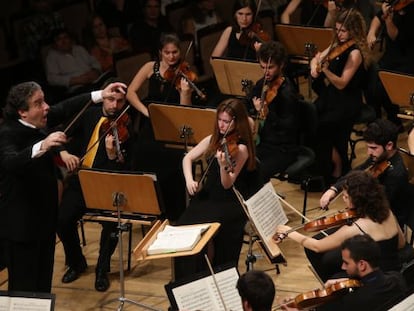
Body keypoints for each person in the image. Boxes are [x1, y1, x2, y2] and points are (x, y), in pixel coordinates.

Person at [0, 80, 125, 293]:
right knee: (23, 287)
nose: (47, 107)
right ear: (23, 112)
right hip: (22, 228)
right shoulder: (7, 133)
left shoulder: (38, 120)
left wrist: (101, 94)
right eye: (39, 103)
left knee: (42, 285)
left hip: (44, 222)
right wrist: (43, 145)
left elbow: (65, 107)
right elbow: (11, 161)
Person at [57, 78, 134, 292]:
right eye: (110, 99)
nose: (114, 106)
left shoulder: (127, 124)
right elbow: (60, 134)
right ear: (103, 96)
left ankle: (102, 269)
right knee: (62, 220)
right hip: (82, 181)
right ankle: (76, 262)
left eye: (119, 101)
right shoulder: (88, 114)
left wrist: (112, 156)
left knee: (111, 224)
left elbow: (127, 169)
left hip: (109, 185)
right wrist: (64, 153)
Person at [173, 98, 262, 280]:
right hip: (208, 196)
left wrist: (222, 166)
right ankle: (187, 281)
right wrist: (190, 180)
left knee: (204, 237)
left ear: (237, 122)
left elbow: (227, 184)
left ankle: (206, 277)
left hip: (228, 202)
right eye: (219, 120)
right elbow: (187, 158)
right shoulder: (213, 140)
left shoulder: (242, 149)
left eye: (226, 121)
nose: (221, 125)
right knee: (184, 230)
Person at [275, 170, 406, 282]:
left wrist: (290, 232)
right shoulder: (387, 211)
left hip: (372, 276)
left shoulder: (356, 228)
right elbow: (401, 243)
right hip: (393, 269)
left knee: (332, 268)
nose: (343, 198)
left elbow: (317, 246)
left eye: (345, 196)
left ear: (358, 199)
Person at [126, 33, 193, 221]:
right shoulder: (150, 67)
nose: (171, 57)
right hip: (151, 124)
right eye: (167, 53)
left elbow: (183, 111)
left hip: (172, 128)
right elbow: (131, 92)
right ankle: (151, 211)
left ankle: (174, 213)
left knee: (171, 165)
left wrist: (185, 93)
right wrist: (146, 111)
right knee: (142, 155)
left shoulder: (184, 73)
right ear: (160, 53)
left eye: (175, 52)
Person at [310, 9, 371, 185]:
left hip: (347, 101)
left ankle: (338, 167)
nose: (339, 34)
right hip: (333, 97)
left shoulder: (355, 53)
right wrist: (315, 66)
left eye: (343, 31)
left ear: (354, 30)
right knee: (310, 118)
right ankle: (327, 165)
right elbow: (317, 58)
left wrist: (326, 70)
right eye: (337, 29)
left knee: (322, 126)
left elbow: (342, 83)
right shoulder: (337, 44)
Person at [319, 119, 410, 228]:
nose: (368, 152)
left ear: (389, 145)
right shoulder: (379, 157)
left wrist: (353, 201)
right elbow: (358, 171)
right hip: (368, 216)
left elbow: (381, 207)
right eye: (368, 147)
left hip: (383, 224)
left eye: (373, 148)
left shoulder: (397, 173)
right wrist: (334, 189)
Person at [282, 234, 407, 311]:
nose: (343, 266)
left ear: (362, 265)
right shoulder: (397, 278)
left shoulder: (350, 302)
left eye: (346, 262)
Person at [248, 40, 302, 182]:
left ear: (281, 65)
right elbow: (248, 103)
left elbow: (288, 127)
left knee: (257, 170)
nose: (265, 72)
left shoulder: (288, 93)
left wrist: (266, 112)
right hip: (264, 142)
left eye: (270, 68)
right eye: (262, 67)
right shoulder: (263, 83)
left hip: (282, 148)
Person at [365, 1, 414, 129]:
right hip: (390, 56)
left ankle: (394, 121)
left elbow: (396, 37)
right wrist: (371, 32)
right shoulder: (395, 3)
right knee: (370, 80)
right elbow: (377, 17)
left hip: (407, 58)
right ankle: (375, 120)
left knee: (384, 87)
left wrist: (388, 20)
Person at [45, 28, 104, 95]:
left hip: (94, 81)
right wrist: (75, 80)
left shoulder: (79, 49)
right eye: (59, 39)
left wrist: (96, 71)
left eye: (65, 37)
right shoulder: (52, 56)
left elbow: (94, 62)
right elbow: (52, 79)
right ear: (55, 43)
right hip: (78, 88)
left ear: (70, 39)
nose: (63, 41)